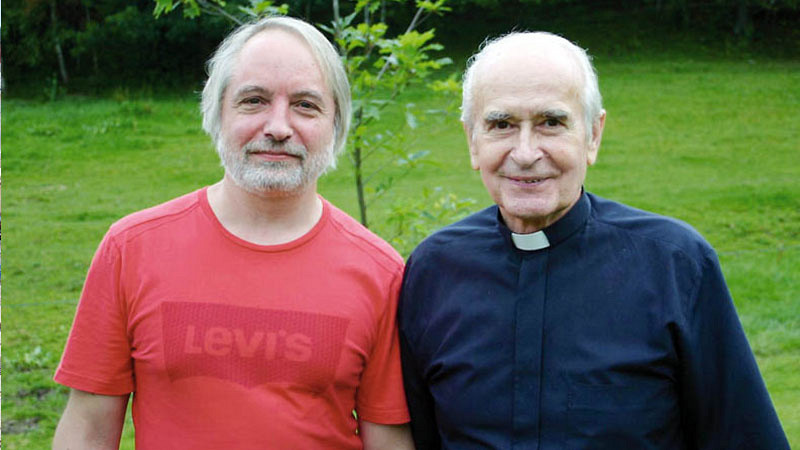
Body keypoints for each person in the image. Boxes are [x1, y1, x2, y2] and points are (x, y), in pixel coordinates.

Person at [398, 31, 790, 449]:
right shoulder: (433, 271)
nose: (526, 153)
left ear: (593, 135)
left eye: (551, 122)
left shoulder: (676, 265)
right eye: (501, 125)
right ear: (472, 141)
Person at [53, 16, 413, 449]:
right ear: (217, 112)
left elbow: (389, 440)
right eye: (254, 100)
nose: (278, 127)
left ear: (335, 123)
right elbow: (88, 428)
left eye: (305, 105)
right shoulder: (131, 250)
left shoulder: (382, 274)